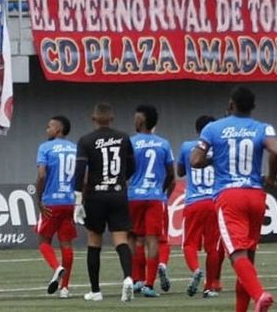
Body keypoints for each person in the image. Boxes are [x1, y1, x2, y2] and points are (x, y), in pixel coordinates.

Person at [191, 86, 277, 312]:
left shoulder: (213, 128)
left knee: (236, 254)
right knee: (247, 260)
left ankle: (259, 295)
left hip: (229, 196)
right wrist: (271, 178)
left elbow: (194, 160)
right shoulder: (263, 127)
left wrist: (214, 159)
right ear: (253, 107)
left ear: (230, 105)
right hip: (255, 195)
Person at [73, 103, 137, 302]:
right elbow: (132, 166)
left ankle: (95, 291)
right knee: (121, 239)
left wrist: (77, 200)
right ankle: (127, 278)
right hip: (118, 193)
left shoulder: (85, 140)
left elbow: (79, 172)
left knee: (94, 240)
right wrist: (118, 181)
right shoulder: (124, 137)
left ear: (93, 118)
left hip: (96, 195)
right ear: (112, 118)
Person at [127, 105, 174, 299]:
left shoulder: (130, 142)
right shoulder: (163, 144)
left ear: (142, 121)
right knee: (153, 239)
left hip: (134, 196)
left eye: (137, 118)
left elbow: (124, 171)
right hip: (155, 196)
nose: (134, 121)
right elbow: (171, 174)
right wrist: (161, 193)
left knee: (135, 238)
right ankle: (148, 284)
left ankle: (136, 279)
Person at [177, 115, 223, 299]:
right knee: (212, 248)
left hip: (194, 201)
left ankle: (196, 270)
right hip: (214, 201)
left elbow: (180, 171)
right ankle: (209, 287)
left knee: (189, 243)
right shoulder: (220, 148)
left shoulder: (187, 147)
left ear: (198, 130)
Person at [35, 115, 77, 299]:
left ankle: (56, 267)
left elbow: (42, 175)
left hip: (51, 202)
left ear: (58, 129)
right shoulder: (75, 148)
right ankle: (65, 288)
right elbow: (82, 177)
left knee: (43, 241)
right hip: (69, 201)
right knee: (66, 244)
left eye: (49, 126)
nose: (47, 129)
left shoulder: (45, 148)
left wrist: (39, 199)